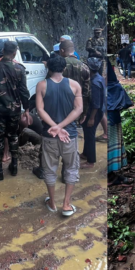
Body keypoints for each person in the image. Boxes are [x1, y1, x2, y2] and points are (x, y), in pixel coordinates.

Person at [36, 55, 84, 216]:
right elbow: (78, 109)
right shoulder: (75, 85)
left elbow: (40, 110)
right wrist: (61, 127)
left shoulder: (41, 85)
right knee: (71, 168)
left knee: (49, 169)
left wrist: (54, 127)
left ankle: (52, 202)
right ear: (64, 68)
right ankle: (66, 204)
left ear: (48, 68)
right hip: (69, 135)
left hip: (49, 135)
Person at [0, 41, 31, 180]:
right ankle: (14, 167)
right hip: (14, 111)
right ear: (15, 53)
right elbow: (24, 92)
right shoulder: (20, 69)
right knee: (13, 136)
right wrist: (26, 109)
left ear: (3, 51)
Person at [106, 56, 134, 185]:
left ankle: (109, 174)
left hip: (106, 110)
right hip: (109, 110)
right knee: (111, 140)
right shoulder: (103, 64)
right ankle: (109, 175)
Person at [60, 39, 91, 126]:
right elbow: (87, 93)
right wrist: (84, 112)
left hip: (60, 108)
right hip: (77, 107)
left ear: (62, 50)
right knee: (72, 130)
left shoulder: (58, 66)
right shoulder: (84, 67)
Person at [81, 57, 105, 167]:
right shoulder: (97, 78)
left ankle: (91, 161)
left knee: (90, 135)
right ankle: (86, 153)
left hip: (94, 112)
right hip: (93, 111)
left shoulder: (95, 83)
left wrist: (91, 118)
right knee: (87, 133)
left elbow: (96, 103)